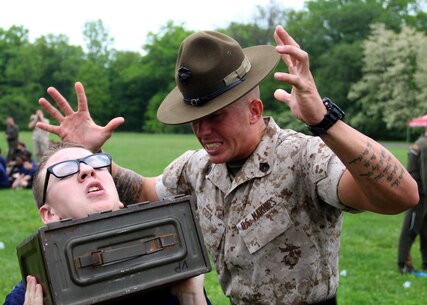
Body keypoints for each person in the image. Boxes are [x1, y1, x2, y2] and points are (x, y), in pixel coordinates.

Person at [36, 26, 418, 305]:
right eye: (195, 118)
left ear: (255, 110)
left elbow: (402, 195)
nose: (203, 131)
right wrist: (88, 156)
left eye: (216, 116)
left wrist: (324, 121)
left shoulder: (304, 157)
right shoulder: (197, 169)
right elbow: (145, 193)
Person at [3, 142, 211, 305]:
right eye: (65, 169)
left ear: (120, 197)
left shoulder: (171, 269)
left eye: (95, 163)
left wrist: (191, 298)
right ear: (49, 214)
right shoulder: (31, 296)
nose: (87, 169)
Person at [397, 126, 427, 273]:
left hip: (417, 194)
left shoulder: (418, 143)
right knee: (411, 228)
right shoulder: (425, 145)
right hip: (419, 196)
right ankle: (403, 264)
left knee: (425, 229)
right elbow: (425, 173)